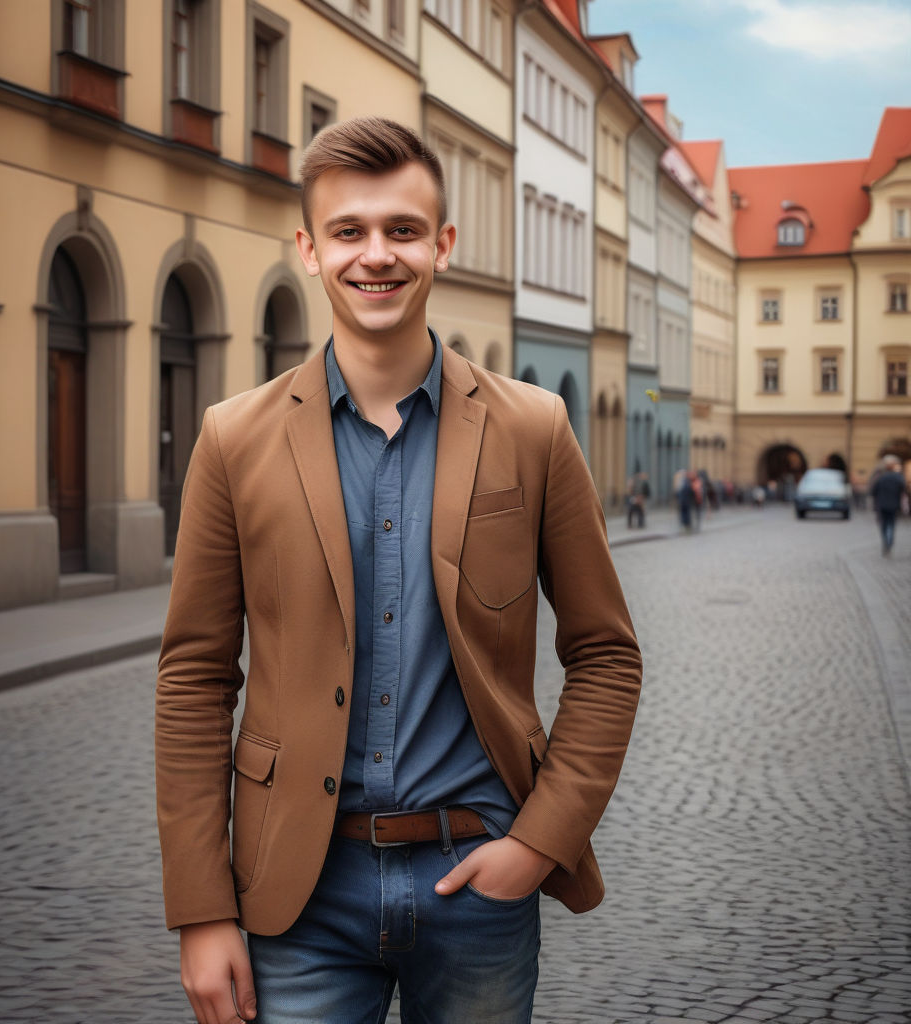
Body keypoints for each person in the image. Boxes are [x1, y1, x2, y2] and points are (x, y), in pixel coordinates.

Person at [155, 117, 643, 1024]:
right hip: (297, 893)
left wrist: (538, 844)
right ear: (308, 248)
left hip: (477, 884)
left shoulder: (534, 429)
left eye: (402, 230)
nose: (375, 255)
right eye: (348, 231)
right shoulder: (233, 440)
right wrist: (202, 910)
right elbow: (193, 680)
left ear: (442, 246)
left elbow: (607, 656)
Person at [869, 454, 907, 555]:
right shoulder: (898, 477)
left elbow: (872, 491)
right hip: (894, 505)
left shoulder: (881, 478)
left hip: (882, 505)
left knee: (884, 525)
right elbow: (904, 489)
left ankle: (886, 542)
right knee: (891, 524)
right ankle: (889, 543)